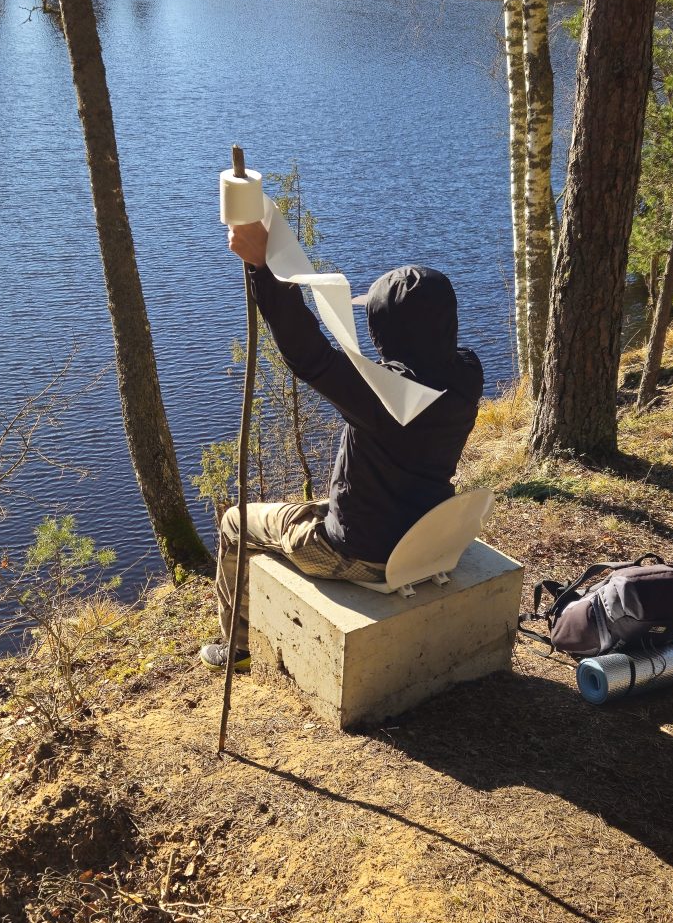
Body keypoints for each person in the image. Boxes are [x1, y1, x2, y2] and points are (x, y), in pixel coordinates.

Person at [199, 218, 483, 671]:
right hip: (422, 533)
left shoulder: (386, 400)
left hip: (360, 553)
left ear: (385, 332)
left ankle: (236, 648)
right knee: (305, 505)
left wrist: (262, 268)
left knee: (235, 521)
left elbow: (308, 355)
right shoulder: (467, 373)